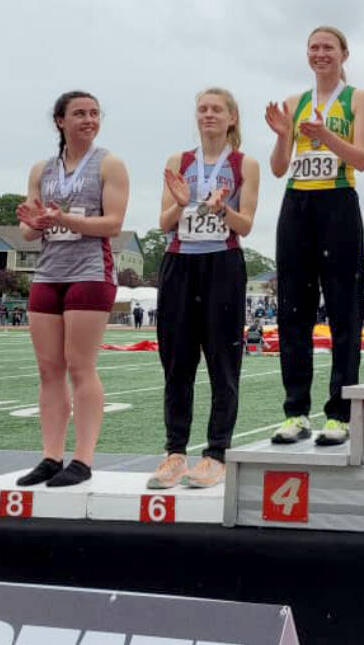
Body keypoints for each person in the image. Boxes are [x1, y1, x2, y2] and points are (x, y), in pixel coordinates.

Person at [264, 26, 364, 447]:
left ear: (344, 53)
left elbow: (361, 158)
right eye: (314, 48)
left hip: (339, 203)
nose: (321, 54)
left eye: (328, 47)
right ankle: (295, 411)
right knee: (293, 313)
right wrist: (282, 136)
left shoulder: (357, 99)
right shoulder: (295, 103)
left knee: (345, 313)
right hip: (297, 206)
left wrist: (325, 135)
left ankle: (339, 413)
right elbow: (278, 168)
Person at [15, 92, 129, 487]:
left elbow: (114, 224)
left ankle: (82, 460)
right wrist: (38, 222)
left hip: (90, 272)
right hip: (48, 274)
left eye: (95, 113)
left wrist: (64, 217)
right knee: (48, 369)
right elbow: (28, 230)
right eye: (80, 113)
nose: (89, 119)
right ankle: (50, 456)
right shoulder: (41, 170)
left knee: (80, 366)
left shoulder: (109, 164)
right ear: (60, 121)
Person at [147, 88, 260, 489]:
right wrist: (181, 203)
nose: (208, 115)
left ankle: (216, 453)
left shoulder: (245, 164)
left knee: (222, 363)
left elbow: (245, 225)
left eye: (216, 109)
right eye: (202, 109)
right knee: (177, 362)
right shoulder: (179, 161)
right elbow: (164, 222)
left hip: (223, 265)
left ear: (232, 118)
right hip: (180, 263)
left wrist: (222, 210)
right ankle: (174, 452)